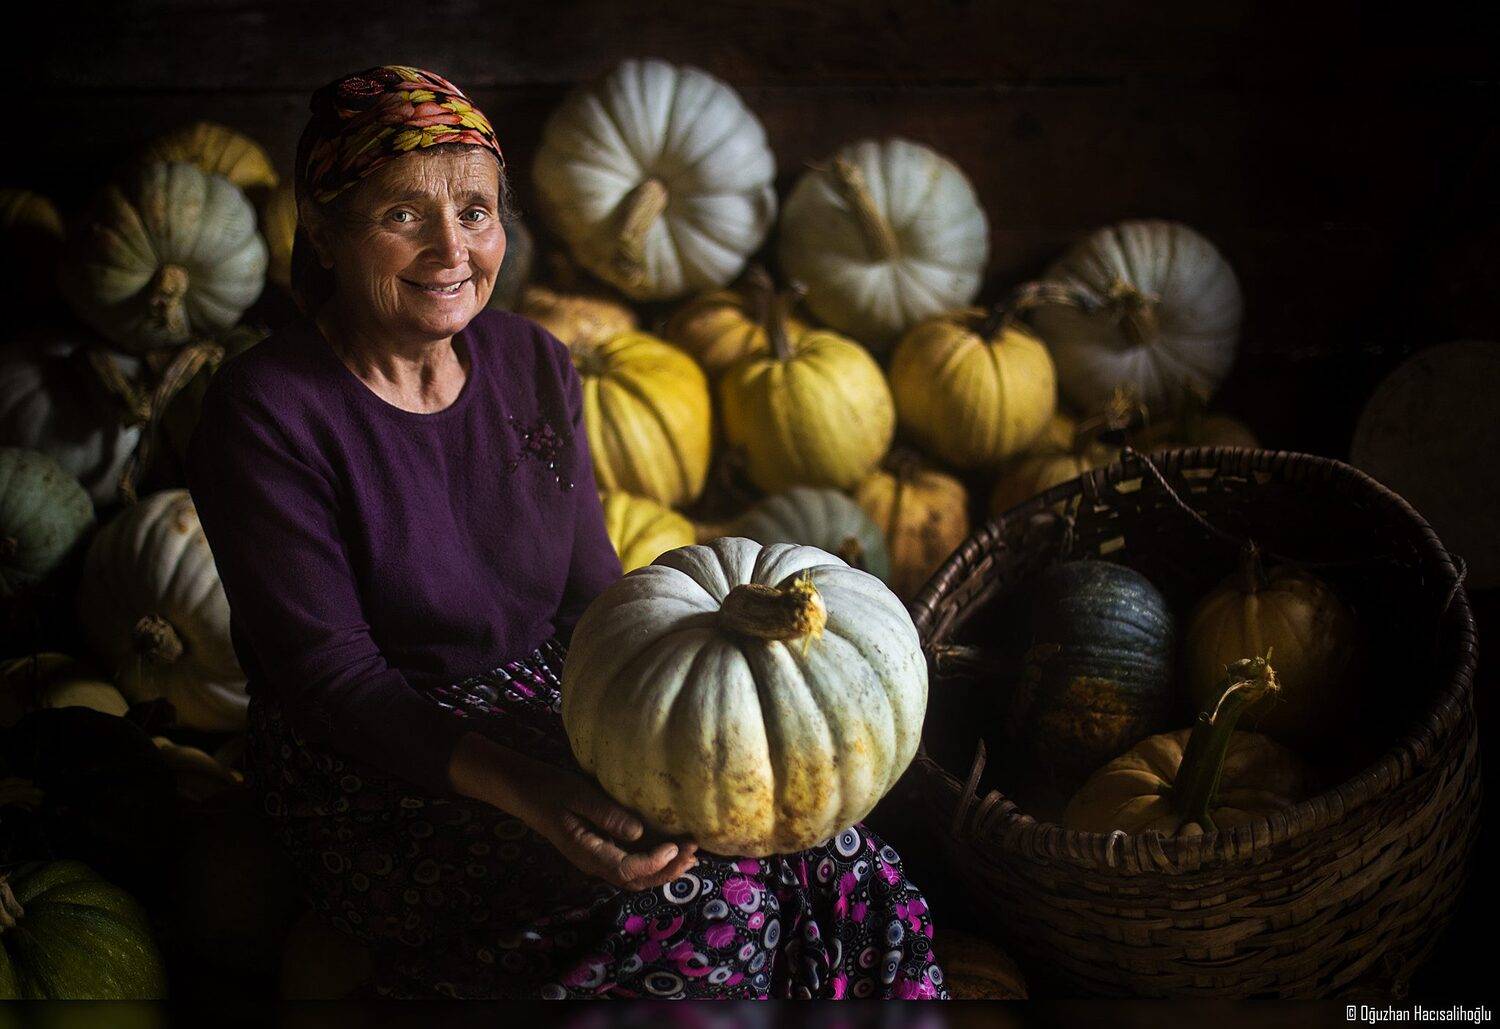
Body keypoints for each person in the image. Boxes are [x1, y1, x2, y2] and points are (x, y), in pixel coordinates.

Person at [186, 65, 948, 1000]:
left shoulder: (531, 360)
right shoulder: (264, 411)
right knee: (723, 903)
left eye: (475, 210)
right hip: (379, 775)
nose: (449, 248)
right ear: (331, 231)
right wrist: (538, 793)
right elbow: (331, 683)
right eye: (401, 216)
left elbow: (596, 601)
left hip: (569, 712)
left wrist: (679, 747)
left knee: (839, 858)